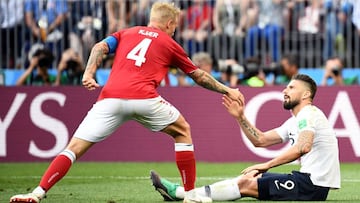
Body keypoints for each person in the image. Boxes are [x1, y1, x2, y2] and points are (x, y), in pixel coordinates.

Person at [9, 2, 243, 203]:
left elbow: (99, 47)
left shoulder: (126, 32)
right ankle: (190, 194)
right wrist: (227, 89)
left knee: (73, 149)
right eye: (175, 27)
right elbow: (198, 75)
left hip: (110, 98)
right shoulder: (170, 43)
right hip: (145, 99)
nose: (174, 31)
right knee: (182, 131)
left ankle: (37, 193)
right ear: (170, 24)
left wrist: (89, 73)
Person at [151, 74, 341, 201]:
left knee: (245, 184)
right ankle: (184, 194)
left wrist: (266, 165)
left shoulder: (309, 113)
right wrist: (240, 117)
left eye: (291, 87)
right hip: (305, 181)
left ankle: (180, 193)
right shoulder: (295, 121)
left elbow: (303, 147)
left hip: (312, 186)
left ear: (306, 94)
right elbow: (261, 140)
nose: (285, 90)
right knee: (249, 177)